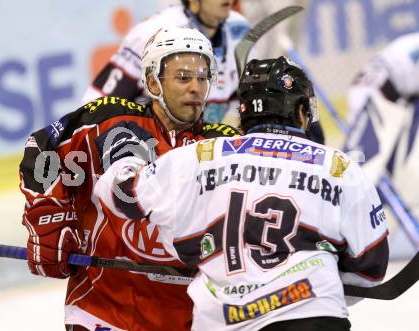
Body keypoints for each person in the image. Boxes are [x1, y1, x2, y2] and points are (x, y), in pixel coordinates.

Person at [95, 56, 389, 330]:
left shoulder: (198, 156)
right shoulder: (338, 165)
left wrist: (125, 153)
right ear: (301, 112)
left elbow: (122, 194)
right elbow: (371, 267)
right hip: (312, 314)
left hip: (223, 320)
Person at [19, 26, 239, 331]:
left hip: (191, 319)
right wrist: (49, 220)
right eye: (184, 77)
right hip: (103, 310)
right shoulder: (107, 121)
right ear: (152, 82)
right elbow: (41, 150)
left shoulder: (226, 147)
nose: (196, 89)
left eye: (203, 78)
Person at [82, 0, 251, 127]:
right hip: (152, 151)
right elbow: (94, 107)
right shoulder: (152, 32)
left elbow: (240, 96)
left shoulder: (239, 27)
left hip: (202, 151)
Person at [344, 32, 419, 248]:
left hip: (405, 97)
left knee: (397, 171)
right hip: (373, 95)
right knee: (364, 171)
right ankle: (352, 237)